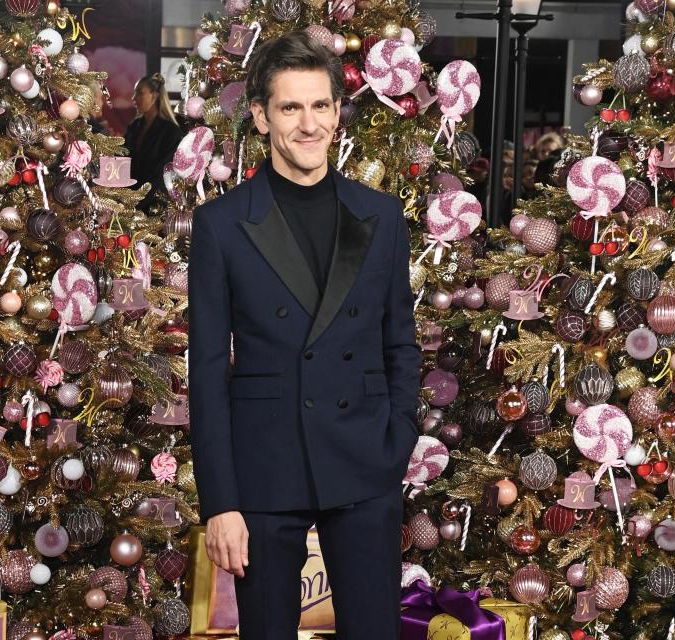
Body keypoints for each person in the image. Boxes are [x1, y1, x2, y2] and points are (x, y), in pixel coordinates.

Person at [188, 30, 421, 640]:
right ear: (262, 117)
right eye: (290, 107)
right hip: (264, 470)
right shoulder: (221, 224)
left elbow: (401, 342)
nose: (308, 123)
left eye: (320, 105)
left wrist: (396, 443)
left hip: (366, 462)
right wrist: (220, 501)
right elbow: (208, 370)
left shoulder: (382, 215)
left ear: (338, 113)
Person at [123, 73, 183, 195]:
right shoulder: (134, 126)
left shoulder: (171, 131)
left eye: (139, 93)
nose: (133, 98)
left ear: (154, 96)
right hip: (129, 197)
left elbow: (163, 173)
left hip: (154, 201)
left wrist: (140, 200)